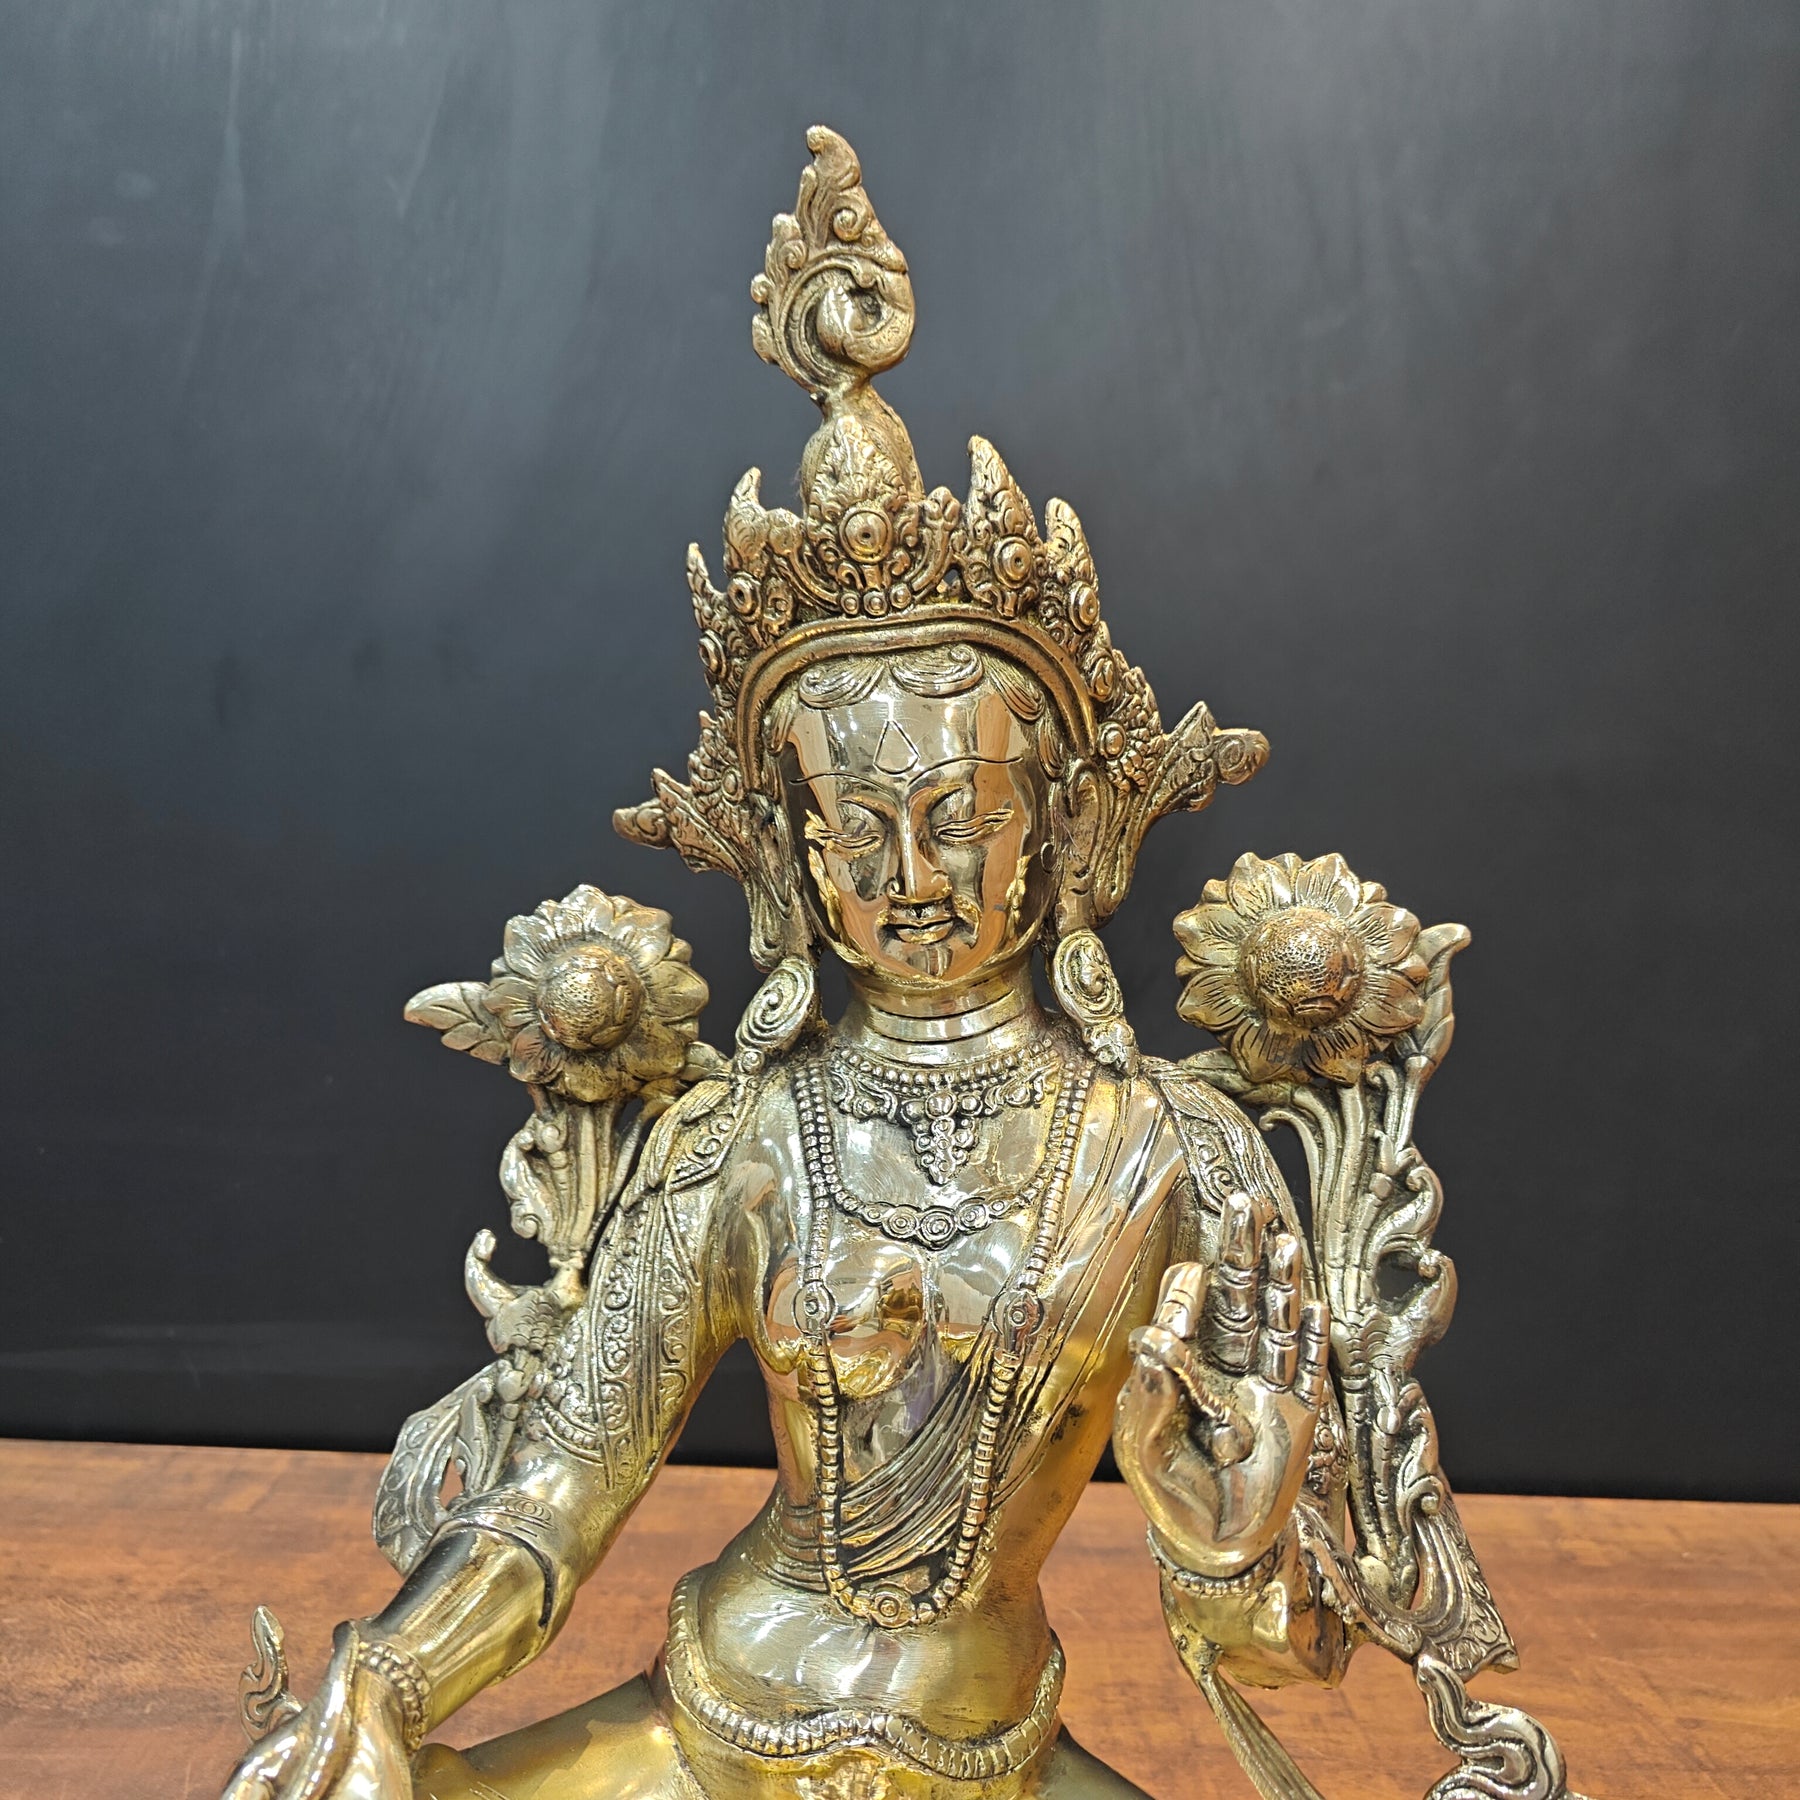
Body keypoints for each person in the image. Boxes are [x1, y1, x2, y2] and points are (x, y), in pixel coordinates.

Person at [221, 129, 1568, 1800]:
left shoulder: (1168, 1160)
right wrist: (387, 1680)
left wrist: (1227, 1542)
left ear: (1059, 827)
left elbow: (1293, 1639)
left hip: (988, 1748)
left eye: (960, 817)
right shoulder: (739, 1141)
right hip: (714, 1726)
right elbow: (558, 1494)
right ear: (793, 857)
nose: (913, 880)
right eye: (856, 832)